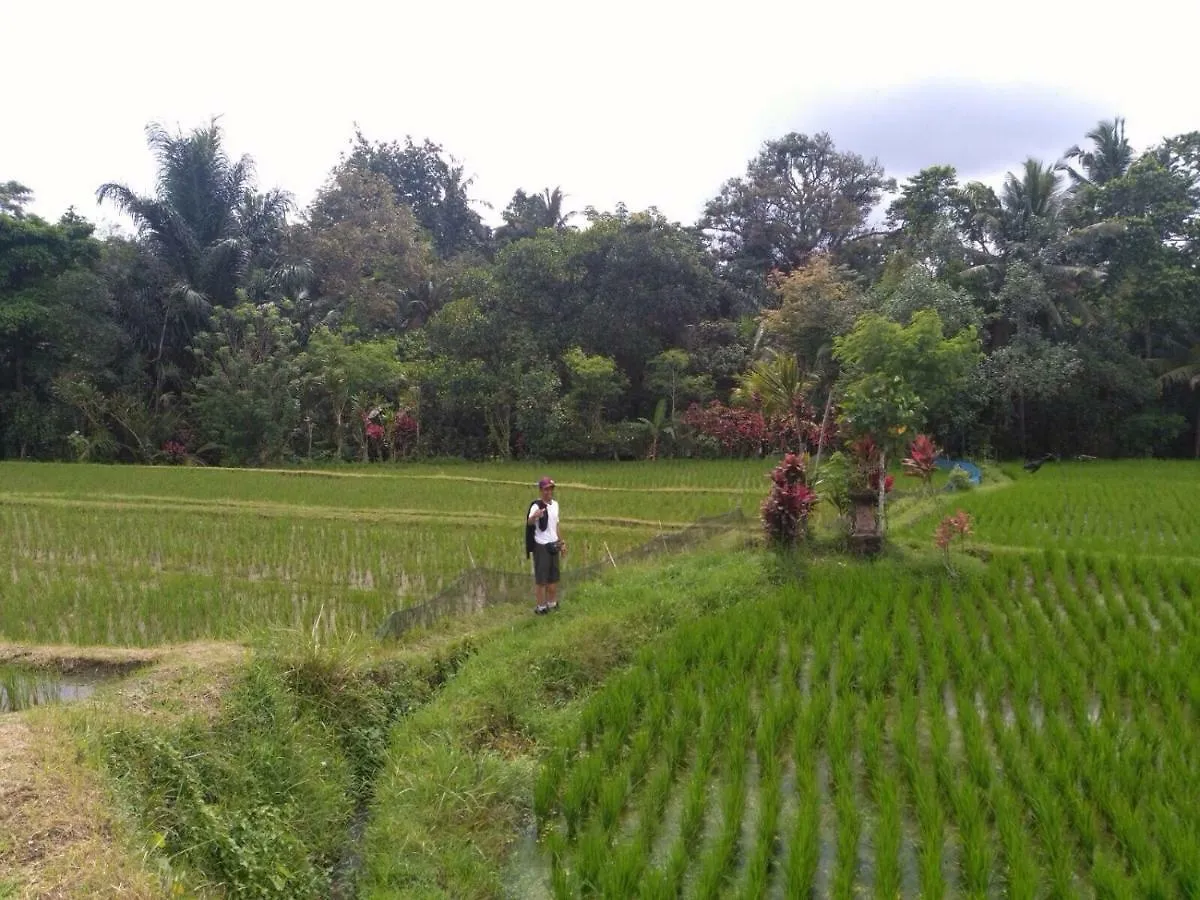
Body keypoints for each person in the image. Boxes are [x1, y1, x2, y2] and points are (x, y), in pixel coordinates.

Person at [527, 476, 566, 614]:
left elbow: (556, 525)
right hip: (541, 545)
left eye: (550, 489)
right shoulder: (536, 506)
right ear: (540, 490)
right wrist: (535, 516)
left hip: (554, 544)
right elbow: (529, 523)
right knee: (541, 579)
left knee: (553, 577)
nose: (548, 492)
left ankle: (552, 603)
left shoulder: (555, 505)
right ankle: (541, 607)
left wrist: (562, 543)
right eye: (545, 489)